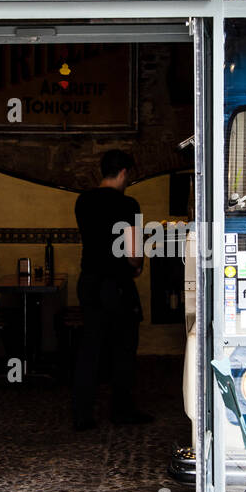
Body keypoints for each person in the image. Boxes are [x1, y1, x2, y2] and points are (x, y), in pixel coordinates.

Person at [72, 149, 152, 430]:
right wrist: (137, 266)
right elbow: (133, 252)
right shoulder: (129, 204)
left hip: (89, 281)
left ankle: (82, 414)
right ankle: (122, 410)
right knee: (124, 347)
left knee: (90, 346)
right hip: (116, 284)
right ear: (123, 173)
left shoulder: (82, 201)